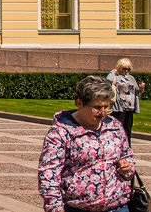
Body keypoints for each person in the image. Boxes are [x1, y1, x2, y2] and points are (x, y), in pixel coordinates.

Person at [38, 75, 135, 212]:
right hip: (78, 207)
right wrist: (54, 207)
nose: (102, 113)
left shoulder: (114, 126)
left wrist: (127, 167)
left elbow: (127, 156)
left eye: (106, 107)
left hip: (117, 206)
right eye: (96, 107)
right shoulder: (61, 132)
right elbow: (49, 174)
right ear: (79, 103)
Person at [107, 58, 145, 141]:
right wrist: (114, 70)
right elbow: (108, 80)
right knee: (118, 128)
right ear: (120, 67)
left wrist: (141, 89)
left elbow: (136, 90)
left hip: (130, 106)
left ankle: (128, 147)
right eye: (125, 68)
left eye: (129, 69)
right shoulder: (115, 77)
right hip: (119, 106)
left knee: (128, 129)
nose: (127, 71)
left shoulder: (131, 78)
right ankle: (117, 144)